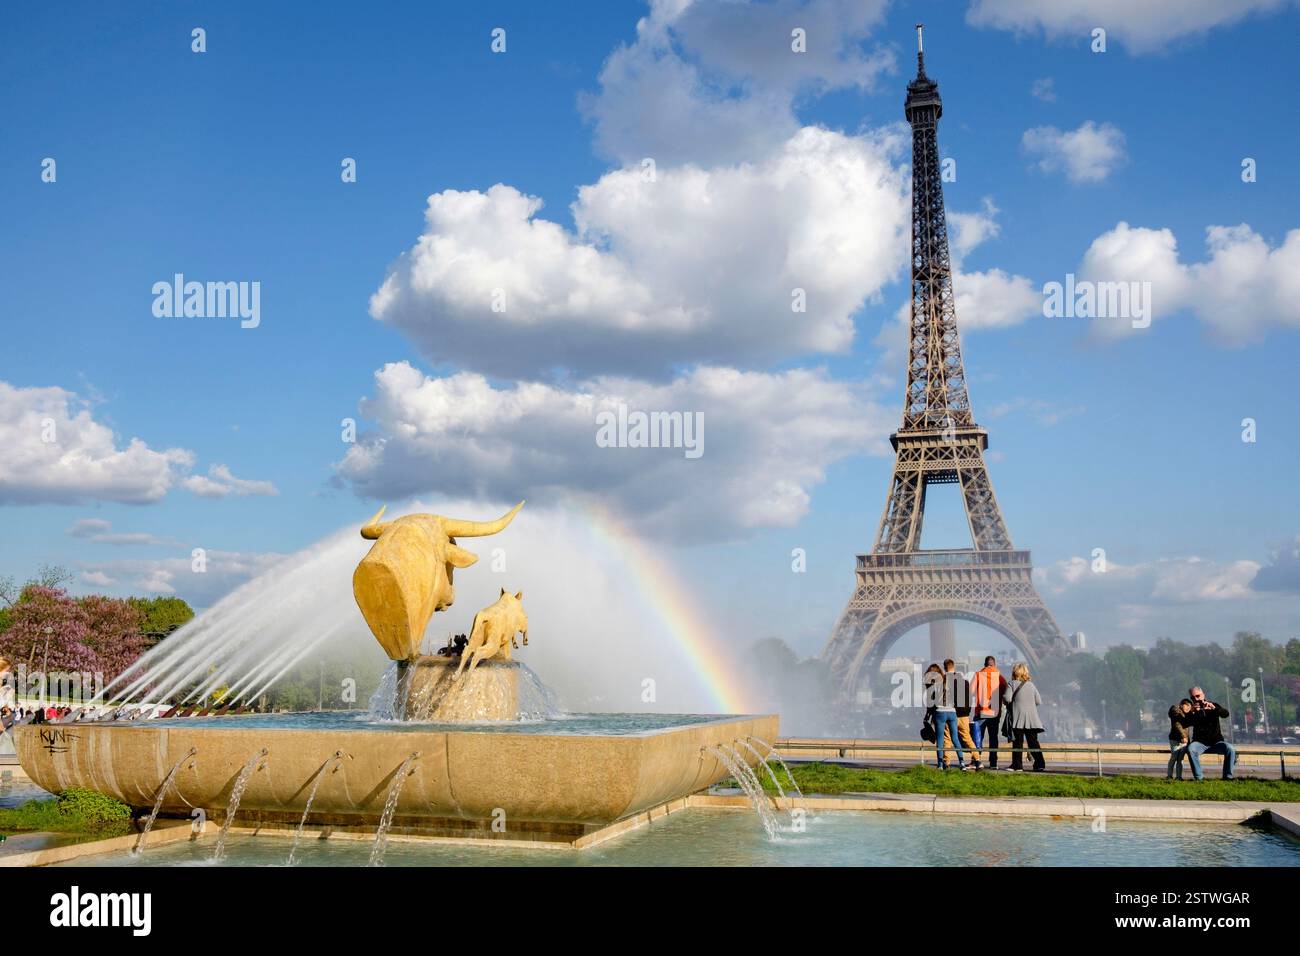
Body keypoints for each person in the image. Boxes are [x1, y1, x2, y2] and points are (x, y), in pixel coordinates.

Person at [1185, 686, 1236, 781]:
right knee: (1191, 749)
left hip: (1216, 742)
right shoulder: (1192, 710)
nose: (1196, 699)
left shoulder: (1213, 705)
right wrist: (1191, 712)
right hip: (1199, 742)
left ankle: (1228, 777)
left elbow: (1226, 714)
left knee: (1230, 748)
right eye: (1192, 697)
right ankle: (1199, 778)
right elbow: (1186, 723)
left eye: (1197, 696)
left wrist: (1214, 709)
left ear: (1203, 694)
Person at [925, 660, 967, 770]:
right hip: (952, 712)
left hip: (940, 712)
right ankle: (962, 763)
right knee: (955, 738)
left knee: (940, 740)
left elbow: (931, 702)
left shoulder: (934, 684)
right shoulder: (950, 681)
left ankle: (940, 765)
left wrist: (928, 714)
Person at [1004, 662, 1046, 772]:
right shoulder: (1031, 685)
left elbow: (1007, 698)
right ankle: (1039, 764)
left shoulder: (1011, 684)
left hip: (1018, 718)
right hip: (1032, 719)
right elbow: (1038, 701)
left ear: (1014, 672)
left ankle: (1017, 766)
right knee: (1033, 742)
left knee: (1017, 742)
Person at [970, 655, 1006, 769]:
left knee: (977, 737)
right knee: (993, 738)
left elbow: (970, 691)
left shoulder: (978, 675)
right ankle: (993, 762)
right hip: (994, 712)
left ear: (984, 664)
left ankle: (976, 761)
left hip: (981, 711)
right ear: (994, 664)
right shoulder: (1000, 676)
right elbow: (1006, 692)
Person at [1166, 698, 1193, 779]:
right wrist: (1183, 736)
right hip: (1175, 739)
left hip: (1184, 740)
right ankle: (1169, 775)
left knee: (1180, 759)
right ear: (1181, 704)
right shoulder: (1175, 710)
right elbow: (1177, 724)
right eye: (1187, 706)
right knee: (1174, 757)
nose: (1188, 708)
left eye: (1190, 707)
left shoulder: (1187, 713)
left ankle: (1179, 777)